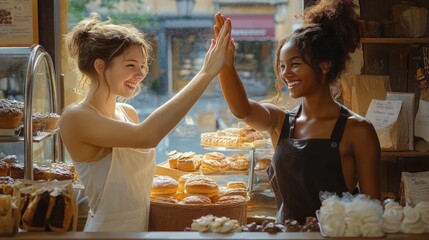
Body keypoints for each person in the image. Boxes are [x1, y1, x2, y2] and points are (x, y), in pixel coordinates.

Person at [60, 13, 231, 232]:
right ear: (100, 66)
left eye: (142, 66)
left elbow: (135, 178)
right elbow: (148, 135)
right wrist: (206, 73)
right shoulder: (75, 118)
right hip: (105, 232)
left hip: (141, 230)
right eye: (131, 65)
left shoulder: (128, 113)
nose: (140, 74)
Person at [214, 0, 381, 224]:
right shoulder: (279, 122)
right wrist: (225, 64)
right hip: (285, 236)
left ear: (324, 66)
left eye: (294, 64)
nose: (286, 74)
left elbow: (373, 210)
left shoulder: (358, 130)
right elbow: (241, 110)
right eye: (282, 66)